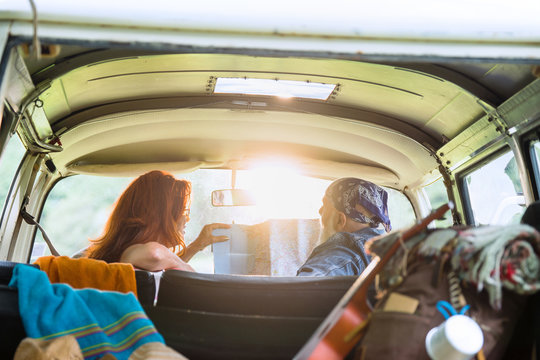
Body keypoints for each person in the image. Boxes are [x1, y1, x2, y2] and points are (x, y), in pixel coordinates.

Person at [85, 170, 230, 272]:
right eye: (184, 211)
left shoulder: (131, 256)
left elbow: (160, 263)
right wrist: (190, 271)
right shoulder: (133, 252)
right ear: (162, 216)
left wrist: (197, 245)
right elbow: (154, 254)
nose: (187, 218)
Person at [297, 177, 391, 276]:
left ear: (340, 219)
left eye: (324, 205)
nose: (319, 211)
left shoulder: (340, 254)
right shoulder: (391, 249)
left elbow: (308, 286)